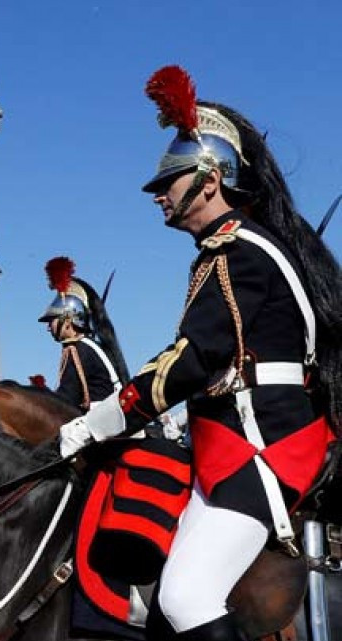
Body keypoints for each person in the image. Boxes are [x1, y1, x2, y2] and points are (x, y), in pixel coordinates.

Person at [59, 66, 342, 640]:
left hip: (261, 447)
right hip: (228, 445)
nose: (158, 193)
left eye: (170, 180)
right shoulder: (232, 250)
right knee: (159, 595)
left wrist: (101, 420)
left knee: (187, 597)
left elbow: (192, 360)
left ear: (210, 180)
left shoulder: (239, 252)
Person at [39, 257, 130, 410]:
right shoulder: (88, 346)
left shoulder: (78, 349)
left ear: (68, 320)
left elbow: (66, 399)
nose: (49, 327)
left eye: (51, 320)